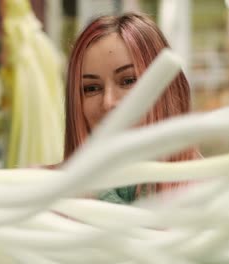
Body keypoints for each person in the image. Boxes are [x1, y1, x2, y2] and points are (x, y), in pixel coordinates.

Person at [63, 12, 200, 204]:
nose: (108, 102)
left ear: (167, 87)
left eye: (128, 81)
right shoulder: (58, 202)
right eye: (91, 88)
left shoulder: (210, 195)